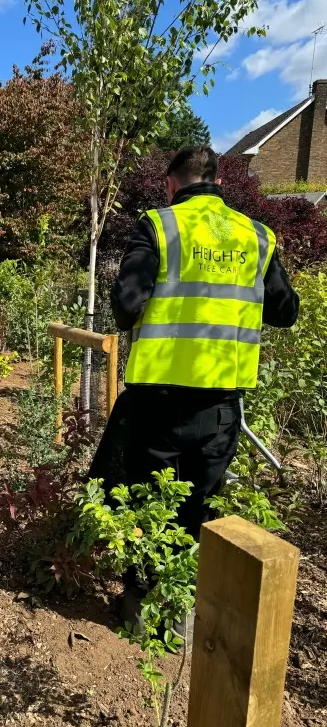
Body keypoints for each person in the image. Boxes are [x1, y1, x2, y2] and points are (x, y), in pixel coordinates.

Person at [88, 145, 299, 628]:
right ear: (220, 184)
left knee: (146, 499)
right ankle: (180, 615)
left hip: (158, 398)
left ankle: (139, 612)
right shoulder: (257, 237)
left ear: (170, 184)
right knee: (198, 505)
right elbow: (286, 312)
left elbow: (126, 306)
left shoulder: (158, 227)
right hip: (222, 404)